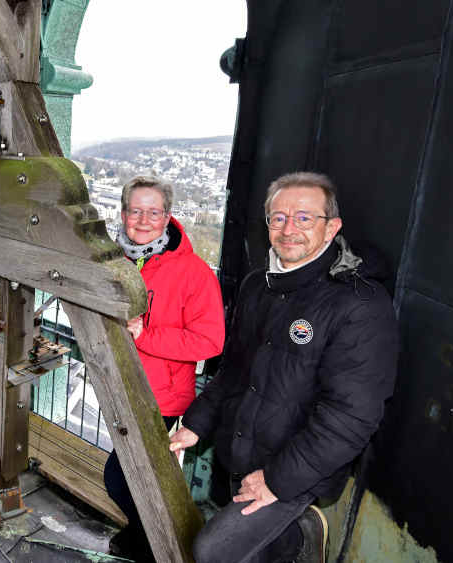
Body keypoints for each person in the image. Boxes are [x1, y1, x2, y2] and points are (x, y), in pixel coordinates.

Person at [169, 172, 399, 563]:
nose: (289, 229)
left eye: (305, 218)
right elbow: (234, 371)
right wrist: (196, 423)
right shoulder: (259, 286)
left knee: (214, 551)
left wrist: (277, 480)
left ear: (332, 229)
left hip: (296, 470)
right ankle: (291, 544)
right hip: (240, 452)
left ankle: (298, 537)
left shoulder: (359, 306)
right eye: (278, 218)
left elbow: (351, 416)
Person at [106, 175, 225, 559]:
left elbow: (210, 341)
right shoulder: (114, 262)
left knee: (121, 478)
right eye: (135, 211)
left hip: (163, 399)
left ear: (168, 216)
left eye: (153, 212)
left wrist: (146, 335)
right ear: (123, 214)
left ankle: (150, 544)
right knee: (131, 477)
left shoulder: (194, 273)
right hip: (121, 386)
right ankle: (144, 536)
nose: (143, 220)